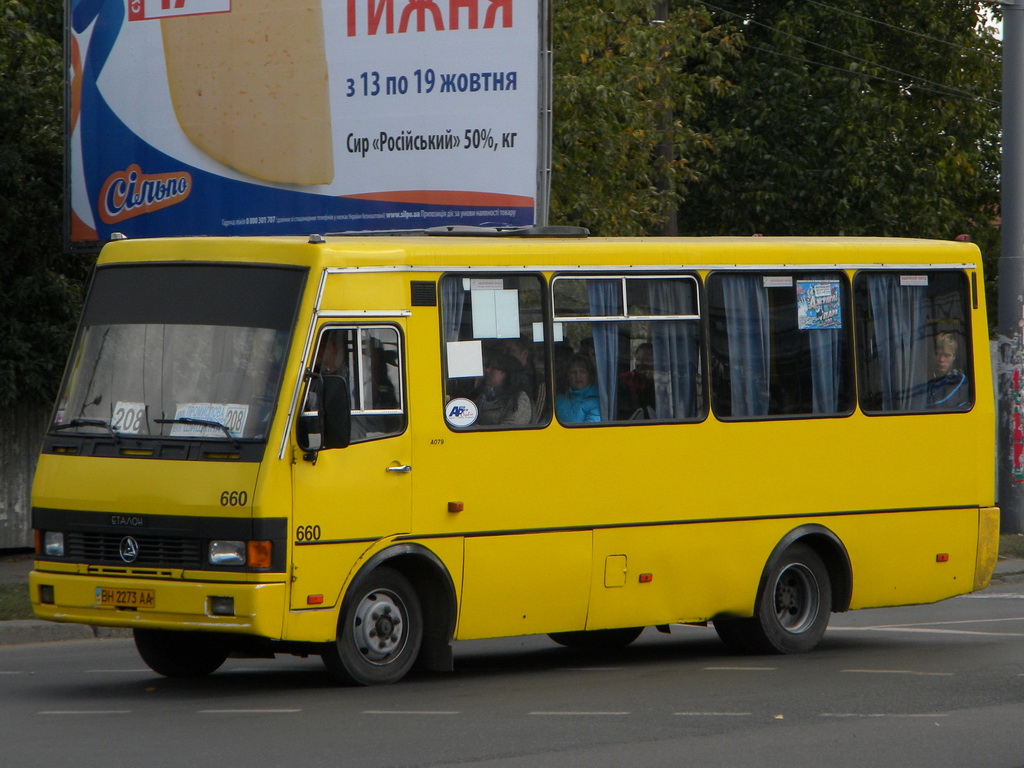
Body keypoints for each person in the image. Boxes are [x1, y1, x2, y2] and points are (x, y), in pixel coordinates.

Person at [474, 351, 532, 426]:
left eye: (494, 368)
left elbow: (511, 429)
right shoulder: (482, 395)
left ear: (507, 373)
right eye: (487, 366)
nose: (487, 370)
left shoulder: (519, 399)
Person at [926, 332, 970, 409]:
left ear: (954, 357)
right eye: (938, 354)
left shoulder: (959, 380)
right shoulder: (924, 377)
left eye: (947, 355)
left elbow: (940, 405)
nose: (941, 359)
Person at [556, 354, 601, 423]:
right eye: (573, 372)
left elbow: (591, 429)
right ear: (568, 375)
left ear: (590, 375)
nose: (578, 376)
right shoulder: (558, 400)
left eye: (582, 372)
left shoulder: (596, 402)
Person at [618, 342, 655, 419]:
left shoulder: (659, 382)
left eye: (645, 360)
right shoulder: (625, 379)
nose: (640, 363)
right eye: (638, 359)